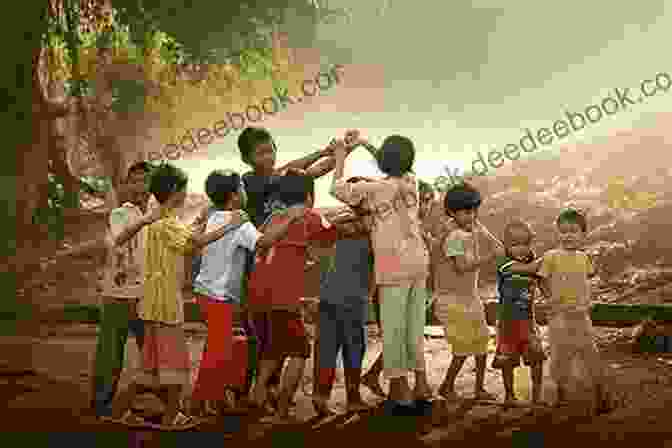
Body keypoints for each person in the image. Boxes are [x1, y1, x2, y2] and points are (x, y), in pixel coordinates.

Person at [110, 162, 247, 430]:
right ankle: (171, 417)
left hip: (151, 302)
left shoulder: (155, 218)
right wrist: (230, 225)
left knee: (149, 368)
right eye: (184, 190)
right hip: (164, 304)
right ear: (175, 191)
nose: (186, 195)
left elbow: (188, 235)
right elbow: (194, 244)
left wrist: (203, 219)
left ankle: (116, 411)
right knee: (175, 365)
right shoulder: (166, 223)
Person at [237, 126, 359, 408]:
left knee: (271, 343)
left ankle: (263, 392)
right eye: (261, 153)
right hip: (264, 276)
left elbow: (307, 173)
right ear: (247, 159)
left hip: (264, 275)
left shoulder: (281, 200)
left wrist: (342, 151)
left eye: (271, 150)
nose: (268, 157)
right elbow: (295, 172)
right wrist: (327, 153)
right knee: (279, 344)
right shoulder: (252, 182)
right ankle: (265, 398)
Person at [330, 134, 433, 414]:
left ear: (383, 162)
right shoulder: (411, 181)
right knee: (414, 326)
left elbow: (337, 188)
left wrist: (342, 153)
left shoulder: (374, 189)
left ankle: (400, 390)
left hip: (394, 268)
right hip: (419, 262)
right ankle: (422, 384)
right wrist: (364, 142)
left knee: (394, 329)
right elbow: (394, 163)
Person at [190, 169, 305, 417]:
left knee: (218, 347)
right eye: (241, 188)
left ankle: (214, 397)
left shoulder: (214, 216)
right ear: (233, 196)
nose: (245, 192)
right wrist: (290, 219)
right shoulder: (239, 222)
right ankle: (200, 401)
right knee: (217, 350)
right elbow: (263, 242)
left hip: (205, 292)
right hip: (218, 296)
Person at [508, 208, 611, 415]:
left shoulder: (584, 257)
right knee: (559, 355)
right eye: (563, 232)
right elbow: (541, 278)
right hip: (558, 316)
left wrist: (590, 298)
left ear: (583, 234)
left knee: (590, 354)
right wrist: (548, 298)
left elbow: (588, 278)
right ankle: (561, 394)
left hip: (581, 315)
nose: (568, 236)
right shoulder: (552, 256)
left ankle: (601, 395)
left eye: (573, 231)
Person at [361, 179, 436, 399]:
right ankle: (397, 385)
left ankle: (376, 376)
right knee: (399, 337)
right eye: (426, 201)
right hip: (392, 286)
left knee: (403, 338)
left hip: (412, 287)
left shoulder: (415, 225)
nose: (428, 207)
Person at [312, 177, 375, 416]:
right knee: (353, 348)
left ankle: (320, 395)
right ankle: (353, 397)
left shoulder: (341, 222)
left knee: (326, 347)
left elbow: (321, 238)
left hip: (329, 294)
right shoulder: (371, 227)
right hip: (352, 298)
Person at [433, 181, 499, 402]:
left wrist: (480, 228)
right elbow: (461, 267)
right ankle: (447, 385)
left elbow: (495, 244)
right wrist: (488, 259)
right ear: (452, 212)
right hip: (452, 300)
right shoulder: (454, 237)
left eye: (474, 211)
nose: (471, 216)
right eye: (466, 212)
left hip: (470, 297)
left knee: (481, 341)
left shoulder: (469, 230)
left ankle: (479, 389)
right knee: (463, 347)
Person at [491, 219, 547, 405]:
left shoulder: (533, 261)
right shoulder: (504, 263)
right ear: (506, 246)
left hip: (529, 322)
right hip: (507, 323)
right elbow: (528, 269)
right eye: (515, 244)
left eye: (525, 244)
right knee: (507, 362)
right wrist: (545, 261)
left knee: (536, 358)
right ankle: (509, 395)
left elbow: (542, 283)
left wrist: (550, 297)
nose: (521, 249)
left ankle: (537, 395)